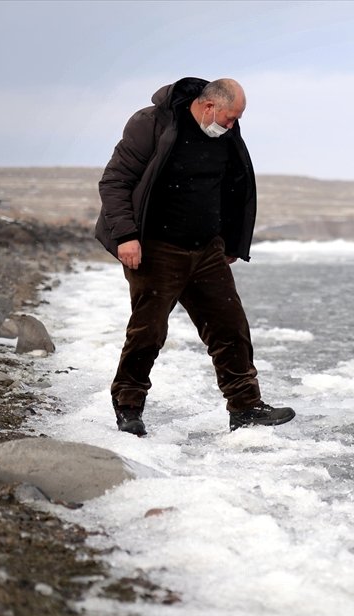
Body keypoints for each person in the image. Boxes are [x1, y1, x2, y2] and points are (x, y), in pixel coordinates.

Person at [94, 76, 294, 435]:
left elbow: (234, 187)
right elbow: (115, 182)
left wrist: (231, 243)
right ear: (208, 106)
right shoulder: (152, 123)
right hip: (156, 247)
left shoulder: (225, 132)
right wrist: (126, 236)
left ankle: (245, 407)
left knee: (230, 328)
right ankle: (128, 406)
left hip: (206, 249)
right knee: (148, 332)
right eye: (230, 118)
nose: (233, 126)